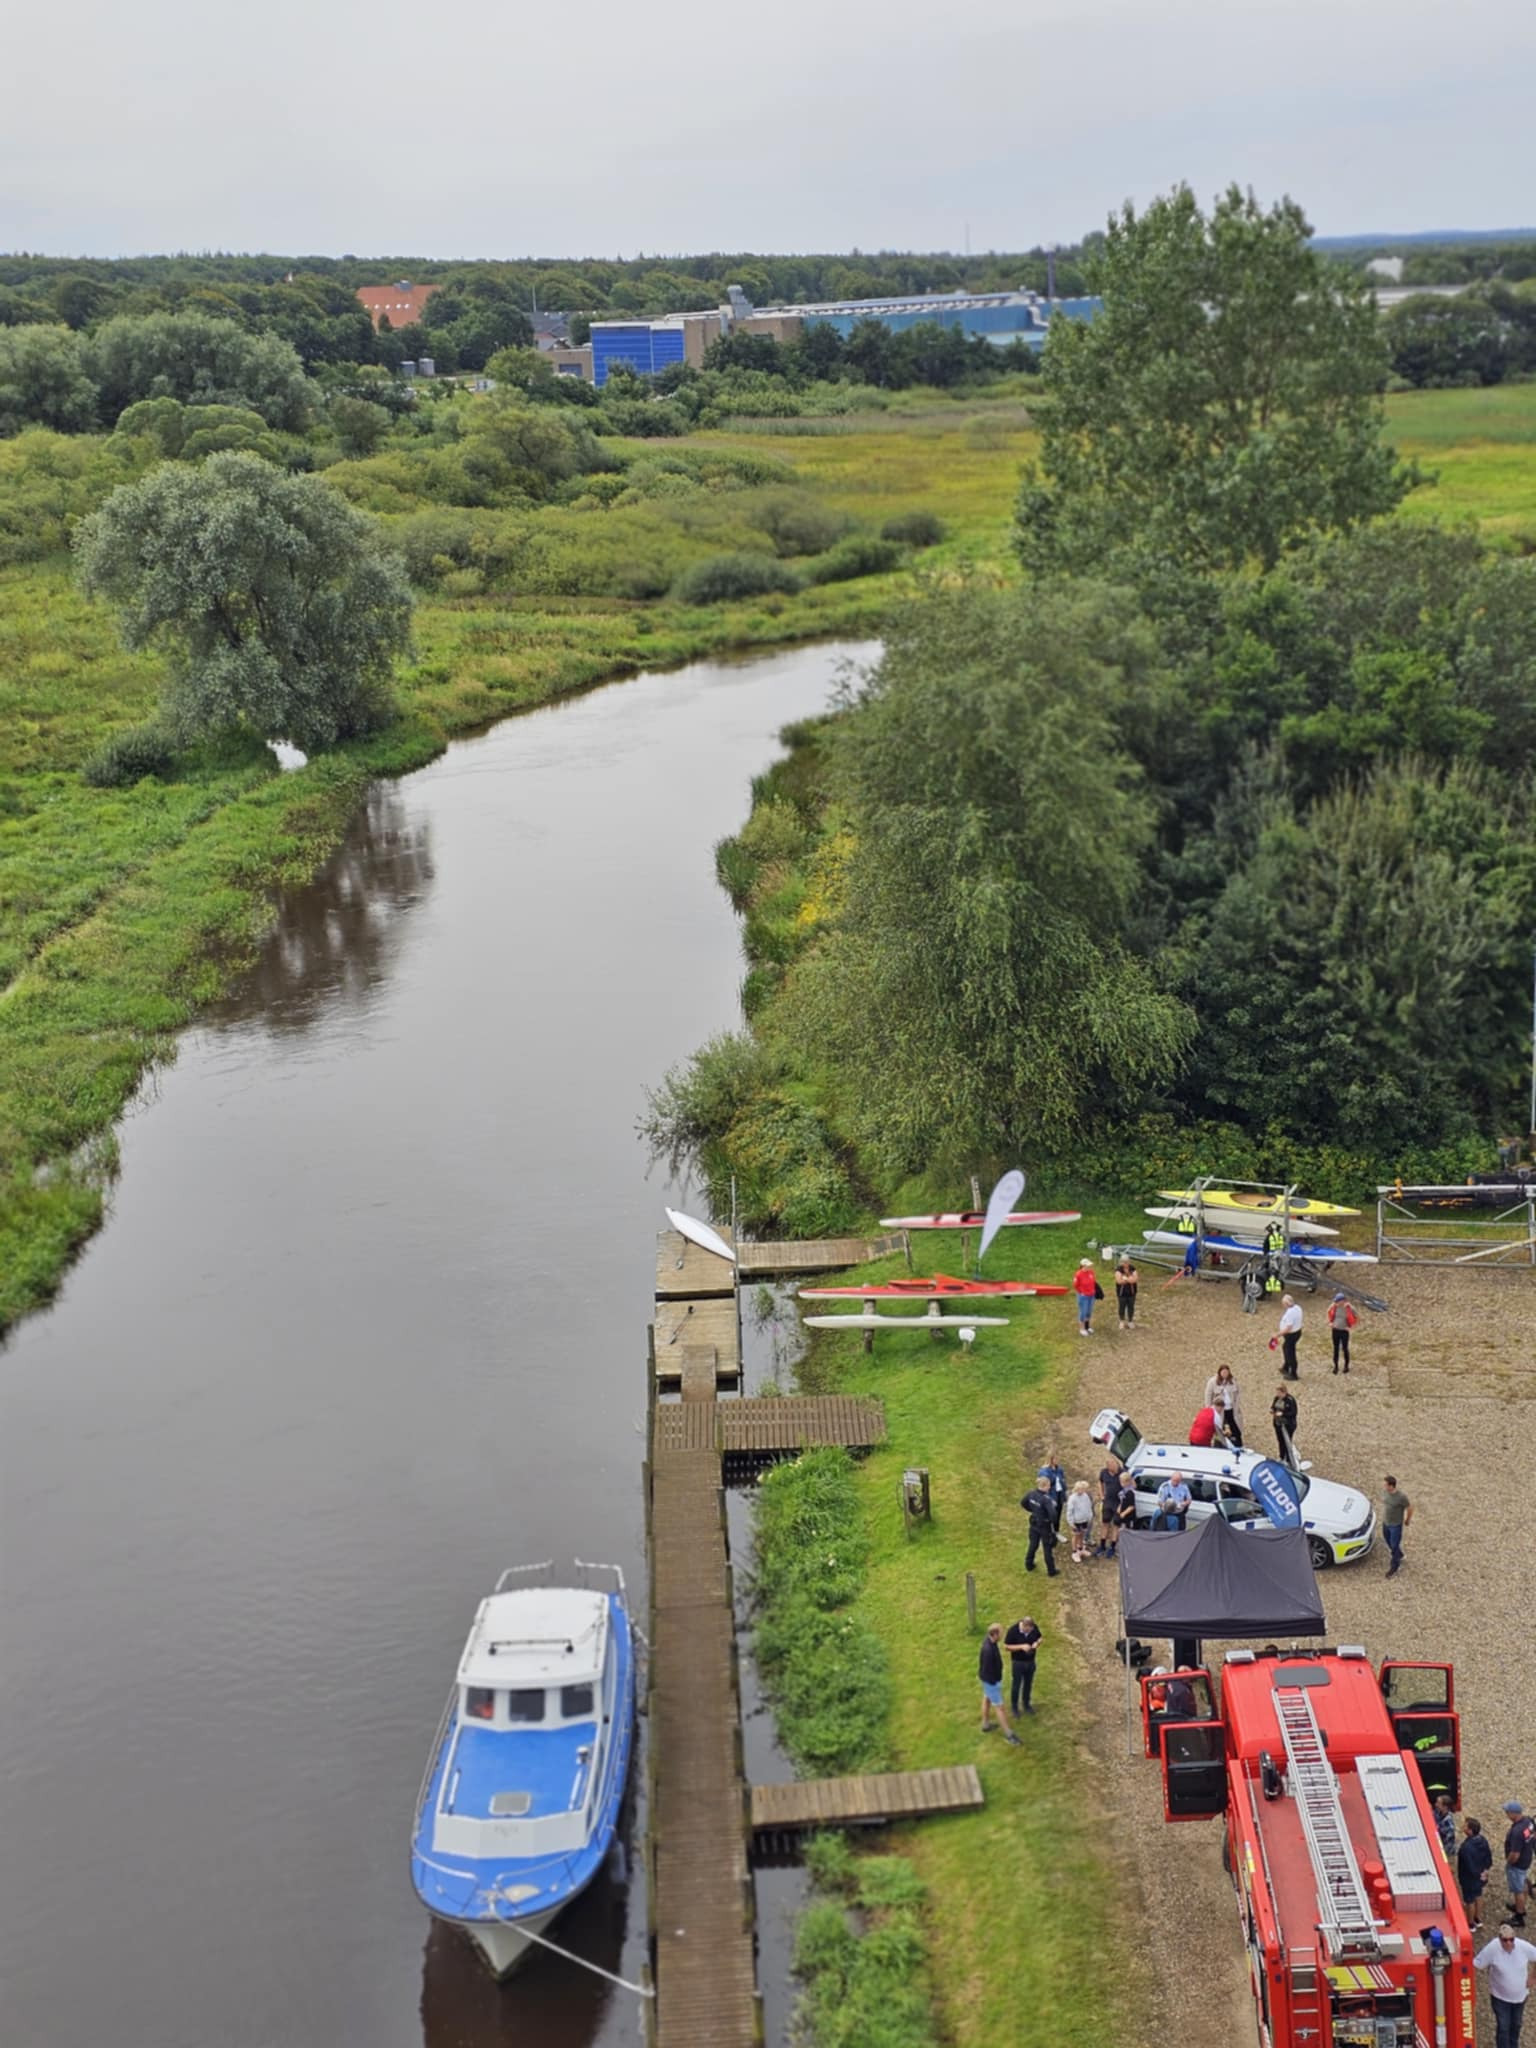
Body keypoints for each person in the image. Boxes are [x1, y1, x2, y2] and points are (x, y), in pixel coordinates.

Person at [1474, 1924, 1536, 2048]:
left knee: (1516, 2024)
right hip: (1500, 1997)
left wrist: (1533, 1977)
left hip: (1520, 1997)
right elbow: (1477, 1964)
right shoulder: (1492, 1949)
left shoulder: (1523, 1947)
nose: (1508, 1943)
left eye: (1511, 1939)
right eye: (1505, 1940)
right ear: (1499, 1939)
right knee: (1503, 2026)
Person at [978, 1623, 1023, 1745]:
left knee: (986, 1699)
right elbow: (987, 1669)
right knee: (1000, 1708)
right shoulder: (988, 1650)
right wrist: (994, 1683)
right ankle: (1009, 1735)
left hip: (989, 1682)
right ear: (995, 1634)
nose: (1002, 1634)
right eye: (1001, 1632)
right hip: (991, 1682)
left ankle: (985, 1725)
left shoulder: (990, 1642)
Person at [1003, 1614, 1043, 1714]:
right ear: (1024, 1626)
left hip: (1030, 1661)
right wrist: (1021, 1647)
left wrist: (1037, 1643)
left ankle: (1026, 1704)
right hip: (1018, 1662)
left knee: (1028, 1684)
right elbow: (1007, 1647)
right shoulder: (1013, 1630)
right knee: (1016, 1685)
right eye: (1027, 1630)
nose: (1029, 1632)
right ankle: (1014, 1707)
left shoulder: (1034, 1628)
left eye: (1030, 1630)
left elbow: (1040, 1637)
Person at [1021, 1476, 1059, 1576]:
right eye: (1049, 1486)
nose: (1049, 1488)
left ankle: (1029, 1564)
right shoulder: (1046, 1499)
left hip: (1034, 1523)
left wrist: (1033, 1510)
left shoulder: (1031, 1493)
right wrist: (1050, 1520)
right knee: (1047, 1548)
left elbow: (1023, 1503)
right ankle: (1051, 1571)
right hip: (1044, 1526)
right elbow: (1053, 1515)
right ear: (1045, 1486)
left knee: (1033, 1544)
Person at [1506, 1802, 1536, 1927]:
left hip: (1517, 1864)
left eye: (1507, 1812)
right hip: (1527, 1858)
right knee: (1522, 1883)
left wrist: (1509, 1862)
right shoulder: (1528, 1822)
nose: (1506, 1814)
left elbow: (1515, 1854)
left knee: (1518, 1890)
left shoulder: (1517, 1832)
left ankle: (1519, 1916)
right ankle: (1520, 1906)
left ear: (1514, 1813)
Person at [1462, 1818, 1495, 1930]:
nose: (1463, 1827)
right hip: (1481, 1875)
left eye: (1465, 1826)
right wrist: (1484, 1871)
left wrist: (1475, 1874)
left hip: (1469, 1878)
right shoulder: (1483, 1840)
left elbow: (1468, 1865)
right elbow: (1489, 1858)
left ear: (1470, 1830)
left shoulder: (1466, 1847)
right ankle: (1478, 1918)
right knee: (1479, 1895)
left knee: (1469, 1901)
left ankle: (1470, 1924)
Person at [1204, 1364, 1245, 1446]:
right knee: (1220, 1429)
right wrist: (1209, 1409)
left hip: (1231, 1409)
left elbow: (1238, 1393)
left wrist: (1236, 1405)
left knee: (1235, 1429)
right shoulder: (1213, 1381)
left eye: (1226, 1372)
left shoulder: (1233, 1381)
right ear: (1220, 1372)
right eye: (1223, 1372)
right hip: (1220, 1410)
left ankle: (1239, 1444)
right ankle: (1221, 1445)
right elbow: (1208, 1395)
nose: (1225, 1374)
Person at [1381, 1476, 1413, 1578]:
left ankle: (1394, 1566)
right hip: (1386, 1523)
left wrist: (1407, 1520)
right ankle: (1399, 1554)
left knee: (1394, 1545)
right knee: (1388, 1540)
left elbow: (1410, 1508)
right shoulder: (1385, 1492)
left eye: (1385, 1484)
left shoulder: (1401, 1497)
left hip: (1395, 1526)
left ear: (1391, 1486)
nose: (1384, 1486)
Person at [1095, 1455, 1121, 1556]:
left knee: (1116, 1525)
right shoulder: (1104, 1472)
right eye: (1111, 1466)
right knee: (1105, 1523)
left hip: (1118, 1503)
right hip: (1108, 1501)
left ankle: (1113, 1547)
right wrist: (1101, 1494)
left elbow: (1129, 1486)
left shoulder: (1122, 1472)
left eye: (1115, 1465)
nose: (1114, 1468)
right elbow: (1100, 1482)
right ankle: (1102, 1546)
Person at [1327, 1291, 1358, 1373]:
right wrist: (1330, 1323)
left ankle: (1346, 1366)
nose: (1336, 1302)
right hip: (1335, 1330)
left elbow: (1356, 1317)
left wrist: (1351, 1327)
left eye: (1338, 1301)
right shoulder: (1334, 1307)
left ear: (1343, 1301)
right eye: (1336, 1301)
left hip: (1344, 1331)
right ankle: (1336, 1366)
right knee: (1335, 1348)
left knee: (1345, 1348)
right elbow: (1329, 1312)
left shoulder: (1349, 1308)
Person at [1065, 1480, 1095, 1561]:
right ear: (1076, 1489)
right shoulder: (1072, 1498)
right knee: (1076, 1535)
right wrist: (1071, 1522)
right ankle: (1074, 1552)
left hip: (1084, 1520)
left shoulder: (1085, 1496)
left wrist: (1090, 1517)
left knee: (1082, 1534)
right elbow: (1069, 1511)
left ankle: (1081, 1549)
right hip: (1076, 1521)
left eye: (1083, 1489)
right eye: (1080, 1489)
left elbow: (1089, 1506)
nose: (1082, 1491)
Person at [1039, 1451, 1068, 1533]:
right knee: (1050, 1514)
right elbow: (1043, 1484)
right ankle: (1048, 1532)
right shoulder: (1044, 1471)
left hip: (1059, 1495)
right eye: (1056, 1458)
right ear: (1051, 1459)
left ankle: (1056, 1532)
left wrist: (1065, 1492)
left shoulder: (1059, 1469)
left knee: (1058, 1514)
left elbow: (1063, 1480)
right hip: (1050, 1495)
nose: (1058, 1460)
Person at [1271, 1383, 1299, 1465]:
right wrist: (1272, 1410)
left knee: (1287, 1441)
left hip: (1288, 1425)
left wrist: (1283, 1414)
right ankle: (1281, 1456)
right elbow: (1273, 1406)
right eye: (1277, 1393)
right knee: (1280, 1441)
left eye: (1279, 1393)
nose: (1278, 1395)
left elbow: (1294, 1412)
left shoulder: (1290, 1400)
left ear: (1284, 1392)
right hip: (1278, 1423)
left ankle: (1288, 1459)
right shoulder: (1276, 1398)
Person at [1277, 1293, 1303, 1378]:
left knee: (1290, 1353)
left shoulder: (1290, 1313)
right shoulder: (1298, 1308)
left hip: (1291, 1335)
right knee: (1286, 1348)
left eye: (1283, 1304)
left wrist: (1278, 1335)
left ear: (1286, 1304)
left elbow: (1288, 1328)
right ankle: (1286, 1367)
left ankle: (1293, 1374)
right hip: (1297, 1332)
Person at [1111, 1471, 1138, 1551]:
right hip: (1121, 1512)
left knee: (1124, 1531)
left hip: (1127, 1516)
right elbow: (1122, 1501)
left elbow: (1131, 1506)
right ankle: (1113, 1545)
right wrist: (1119, 1507)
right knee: (1116, 1527)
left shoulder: (1130, 1493)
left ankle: (1124, 1547)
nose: (1121, 1483)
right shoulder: (1123, 1491)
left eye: (1122, 1482)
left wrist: (1124, 1513)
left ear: (1127, 1482)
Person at [1072, 1258, 1098, 1335]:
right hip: (1083, 1296)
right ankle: (1082, 1328)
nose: (1090, 1267)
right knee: (1083, 1312)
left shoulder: (1091, 1272)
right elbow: (1075, 1285)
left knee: (1089, 1312)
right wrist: (1081, 1292)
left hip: (1091, 1295)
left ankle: (1087, 1327)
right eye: (1088, 1265)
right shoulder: (1078, 1274)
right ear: (1083, 1266)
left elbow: (1093, 1282)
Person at [1114, 1255, 1139, 1330]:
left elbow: (1135, 1279)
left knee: (1131, 1307)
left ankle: (1130, 1321)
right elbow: (1119, 1281)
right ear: (1121, 1262)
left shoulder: (1132, 1268)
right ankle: (1122, 1321)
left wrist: (1125, 1279)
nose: (1126, 1263)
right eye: (1124, 1262)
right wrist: (1129, 1279)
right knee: (1122, 1307)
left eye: (1127, 1262)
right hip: (1122, 1293)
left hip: (1132, 1292)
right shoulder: (1118, 1270)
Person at [1435, 1794, 1458, 1858]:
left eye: (1438, 1803)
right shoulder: (1438, 1813)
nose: (1436, 1805)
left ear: (1445, 1807)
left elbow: (1448, 1841)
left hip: (1446, 1853)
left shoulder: (1448, 1822)